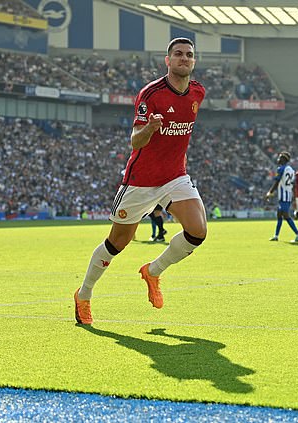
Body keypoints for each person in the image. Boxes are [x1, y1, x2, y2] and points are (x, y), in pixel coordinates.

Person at [74, 38, 206, 325]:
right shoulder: (151, 93)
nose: (184, 58)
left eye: (189, 55)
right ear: (167, 60)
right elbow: (135, 140)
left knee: (197, 231)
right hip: (141, 180)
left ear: (194, 62)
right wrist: (151, 128)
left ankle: (154, 271)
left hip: (175, 176)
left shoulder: (198, 92)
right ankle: (84, 294)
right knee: (117, 243)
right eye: (178, 54)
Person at [265, 152, 298, 243]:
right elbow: (293, 184)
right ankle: (276, 236)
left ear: (284, 159)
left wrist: (270, 192)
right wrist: (293, 197)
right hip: (288, 195)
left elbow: (277, 182)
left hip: (284, 195)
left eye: (280, 157)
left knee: (285, 215)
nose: (278, 159)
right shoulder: (292, 171)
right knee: (279, 215)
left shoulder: (280, 169)